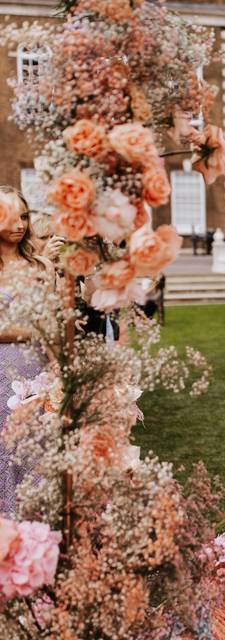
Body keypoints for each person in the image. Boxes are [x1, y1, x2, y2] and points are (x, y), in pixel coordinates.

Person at [0, 187, 54, 517]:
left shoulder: (42, 266)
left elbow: (53, 322)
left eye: (24, 216)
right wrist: (34, 330)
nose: (20, 224)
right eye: (11, 217)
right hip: (2, 372)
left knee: (37, 449)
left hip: (38, 371)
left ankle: (37, 535)